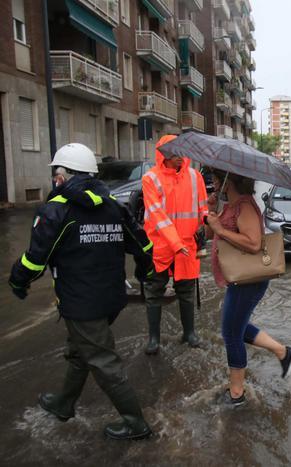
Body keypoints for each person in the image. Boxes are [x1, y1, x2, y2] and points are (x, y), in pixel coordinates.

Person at [8, 143, 154, 440]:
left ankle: (135, 422)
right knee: (79, 351)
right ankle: (64, 403)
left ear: (63, 177)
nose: (54, 180)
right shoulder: (114, 207)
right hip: (112, 299)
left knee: (102, 360)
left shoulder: (57, 211)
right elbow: (142, 245)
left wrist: (17, 282)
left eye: (55, 175)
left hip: (82, 304)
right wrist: (146, 272)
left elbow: (35, 260)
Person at [205, 170, 291, 407]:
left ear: (230, 181)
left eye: (216, 178)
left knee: (231, 333)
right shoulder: (229, 205)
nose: (214, 182)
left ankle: (237, 393)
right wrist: (210, 212)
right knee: (235, 326)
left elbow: (255, 244)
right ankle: (282, 352)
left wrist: (221, 230)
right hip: (238, 278)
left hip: (249, 279)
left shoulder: (244, 206)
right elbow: (209, 234)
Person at [141, 135, 208, 355]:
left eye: (182, 151)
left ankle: (189, 333)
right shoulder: (151, 179)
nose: (181, 156)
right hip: (160, 246)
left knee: (187, 290)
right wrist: (176, 243)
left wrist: (206, 224)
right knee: (154, 291)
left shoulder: (194, 176)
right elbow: (157, 216)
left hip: (187, 245)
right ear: (165, 154)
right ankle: (154, 338)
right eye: (176, 152)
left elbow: (202, 208)